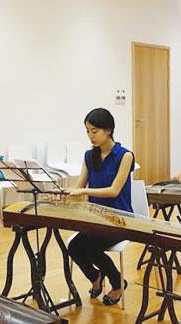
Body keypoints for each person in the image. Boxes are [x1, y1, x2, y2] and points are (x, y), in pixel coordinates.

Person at [65, 108, 135, 305]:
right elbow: (79, 186)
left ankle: (117, 282)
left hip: (120, 220)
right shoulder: (89, 156)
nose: (90, 136)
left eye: (94, 131)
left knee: (92, 248)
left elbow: (113, 191)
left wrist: (84, 192)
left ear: (108, 130)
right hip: (96, 219)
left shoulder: (125, 156)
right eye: (87, 131)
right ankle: (95, 277)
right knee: (75, 247)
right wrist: (60, 195)